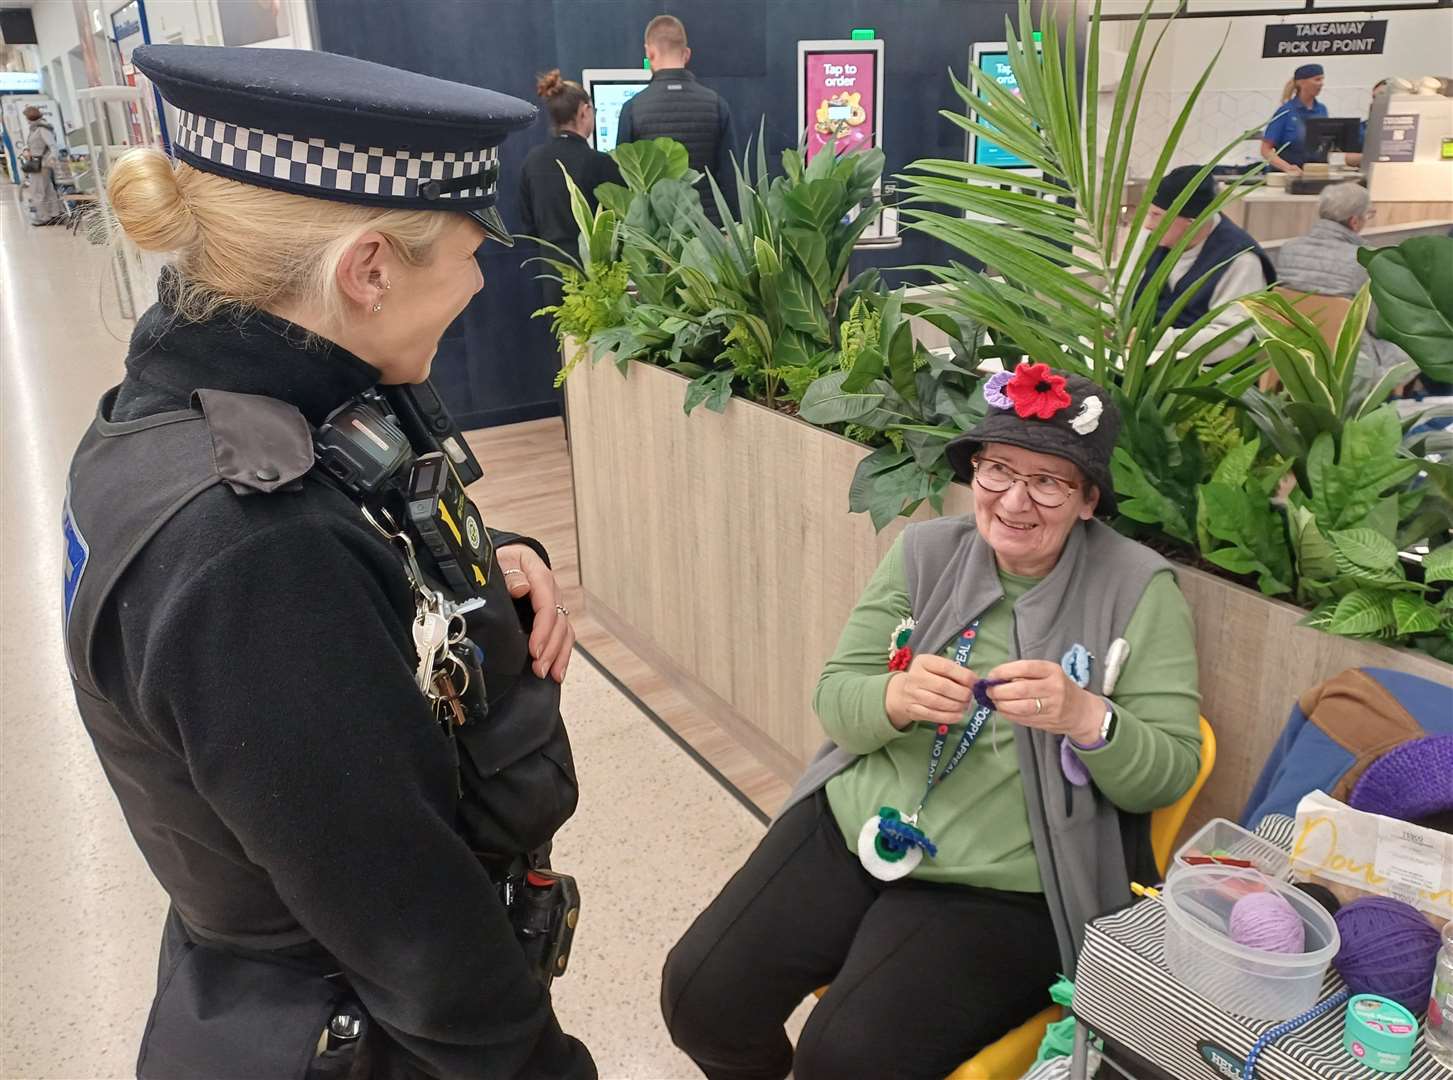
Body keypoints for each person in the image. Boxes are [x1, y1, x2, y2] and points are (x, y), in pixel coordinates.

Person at [61, 44, 595, 1080]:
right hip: (364, 1033)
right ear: (368, 269)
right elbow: (410, 930)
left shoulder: (197, 395)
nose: (482, 280)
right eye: (468, 251)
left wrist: (485, 575)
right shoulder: (253, 550)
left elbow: (373, 516)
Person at [661, 364, 1202, 1080]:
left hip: (1005, 884)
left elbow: (1167, 771)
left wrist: (1085, 716)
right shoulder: (925, 553)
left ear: (1088, 500)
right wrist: (893, 700)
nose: (1013, 500)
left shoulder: (1137, 588)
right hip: (858, 824)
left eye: (1047, 481)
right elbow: (836, 698)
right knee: (700, 998)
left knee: (844, 1060)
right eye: (997, 469)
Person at [1129, 165, 1276, 365]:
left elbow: (1230, 338)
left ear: (1191, 222)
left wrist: (1156, 339)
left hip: (1206, 379)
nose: (1148, 225)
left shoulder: (1240, 259)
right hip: (1140, 365)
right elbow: (1123, 292)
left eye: (1156, 216)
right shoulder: (1150, 239)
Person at [1275, 181, 1414, 382]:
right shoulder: (1365, 261)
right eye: (1368, 215)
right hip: (1349, 356)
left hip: (1293, 348)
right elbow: (1380, 325)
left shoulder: (1288, 249)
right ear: (1354, 222)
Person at [616, 14, 736, 226]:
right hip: (708, 233)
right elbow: (730, 179)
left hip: (657, 237)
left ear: (649, 52)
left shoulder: (632, 109)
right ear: (686, 54)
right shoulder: (717, 105)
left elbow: (624, 182)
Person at [519, 71, 623, 284]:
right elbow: (620, 223)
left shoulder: (532, 161)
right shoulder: (601, 163)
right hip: (596, 277)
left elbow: (528, 226)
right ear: (584, 111)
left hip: (550, 275)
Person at [1261, 63, 1361, 173]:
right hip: (1287, 176)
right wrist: (1287, 167)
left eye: (1322, 80)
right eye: (1317, 80)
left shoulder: (1322, 110)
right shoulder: (1286, 111)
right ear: (1301, 82)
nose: (1321, 84)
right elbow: (1266, 150)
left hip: (1313, 173)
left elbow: (1323, 146)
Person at [20, 105, 64, 225]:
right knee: (48, 190)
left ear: (30, 117)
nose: (26, 120)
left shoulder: (42, 128)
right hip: (38, 163)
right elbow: (31, 144)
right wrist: (26, 149)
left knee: (37, 192)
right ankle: (55, 214)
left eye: (26, 117)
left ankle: (43, 217)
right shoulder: (34, 128)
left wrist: (50, 160)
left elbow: (53, 146)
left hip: (41, 165)